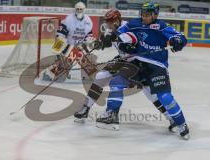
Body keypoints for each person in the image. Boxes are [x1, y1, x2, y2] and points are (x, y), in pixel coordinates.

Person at [96, 1, 190, 140]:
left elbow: (180, 37)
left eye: (147, 15)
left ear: (155, 15)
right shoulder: (134, 23)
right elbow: (119, 33)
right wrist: (110, 37)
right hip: (137, 64)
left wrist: (178, 42)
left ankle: (181, 123)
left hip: (157, 66)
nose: (144, 17)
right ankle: (111, 113)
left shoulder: (161, 26)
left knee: (164, 97)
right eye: (143, 14)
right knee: (116, 81)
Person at [74, 8, 175, 132]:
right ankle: (86, 109)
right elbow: (105, 42)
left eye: (111, 21)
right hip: (123, 60)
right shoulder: (109, 30)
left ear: (117, 20)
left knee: (150, 92)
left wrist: (127, 46)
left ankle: (171, 118)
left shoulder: (128, 27)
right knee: (100, 77)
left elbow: (135, 45)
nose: (108, 24)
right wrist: (97, 44)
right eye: (107, 21)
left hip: (138, 63)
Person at [40, 1, 96, 81]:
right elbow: (60, 36)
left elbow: (88, 35)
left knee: (90, 60)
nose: (79, 11)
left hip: (80, 46)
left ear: (84, 10)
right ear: (75, 9)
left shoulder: (87, 22)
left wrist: (88, 41)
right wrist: (58, 49)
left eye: (81, 9)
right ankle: (49, 74)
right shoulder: (68, 20)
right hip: (69, 46)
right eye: (78, 9)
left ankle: (93, 75)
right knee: (63, 68)